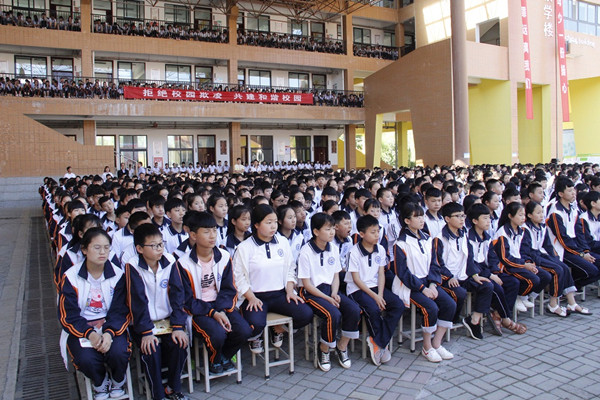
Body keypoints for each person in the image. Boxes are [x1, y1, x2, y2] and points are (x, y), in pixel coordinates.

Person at [57, 228, 130, 400]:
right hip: (82, 328)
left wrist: (109, 333)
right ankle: (100, 382)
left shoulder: (118, 275)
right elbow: (68, 315)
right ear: (84, 249)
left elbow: (120, 310)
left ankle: (118, 381)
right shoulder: (71, 277)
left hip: (110, 325)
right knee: (86, 358)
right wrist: (90, 334)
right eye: (97, 248)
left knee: (119, 352)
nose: (102, 252)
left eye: (106, 247)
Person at [178, 212, 252, 374]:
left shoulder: (224, 257)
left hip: (220, 305)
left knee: (244, 330)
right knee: (217, 334)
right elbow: (187, 300)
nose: (212, 236)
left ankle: (223, 356)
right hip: (198, 309)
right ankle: (214, 359)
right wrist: (212, 313)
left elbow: (229, 289)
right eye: (206, 232)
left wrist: (220, 310)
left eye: (214, 230)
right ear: (193, 235)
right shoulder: (183, 264)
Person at [232, 204, 313, 354]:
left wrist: (290, 291)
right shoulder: (244, 247)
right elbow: (238, 277)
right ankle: (257, 336)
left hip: (280, 294)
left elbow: (290, 268)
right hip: (256, 297)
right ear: (256, 225)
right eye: (268, 222)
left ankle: (278, 329)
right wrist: (251, 297)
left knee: (305, 314)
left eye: (275, 222)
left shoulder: (282, 242)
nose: (273, 226)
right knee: (255, 324)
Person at [125, 223, 190, 400]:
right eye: (154, 246)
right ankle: (157, 394)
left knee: (179, 343)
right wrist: (146, 332)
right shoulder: (132, 266)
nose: (159, 249)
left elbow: (178, 295)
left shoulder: (170, 261)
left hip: (167, 320)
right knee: (151, 349)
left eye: (161, 244)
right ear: (139, 248)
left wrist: (178, 326)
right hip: (143, 323)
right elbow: (137, 301)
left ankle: (173, 388)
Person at [392, 202, 455, 362]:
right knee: (431, 308)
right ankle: (427, 347)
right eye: (417, 217)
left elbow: (435, 264)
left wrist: (433, 284)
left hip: (428, 282)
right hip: (410, 286)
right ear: (407, 221)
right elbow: (402, 272)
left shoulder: (428, 239)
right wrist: (422, 288)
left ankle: (436, 343)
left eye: (422, 216)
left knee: (449, 304)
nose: (421, 220)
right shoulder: (401, 244)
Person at [298, 213, 361, 371]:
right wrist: (327, 298)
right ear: (316, 231)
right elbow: (306, 284)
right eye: (327, 229)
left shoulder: (332, 247)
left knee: (354, 310)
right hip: (311, 293)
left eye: (333, 228)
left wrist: (334, 293)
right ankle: (324, 349)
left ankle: (342, 346)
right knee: (333, 314)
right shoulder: (306, 251)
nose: (332, 232)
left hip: (330, 290)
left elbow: (335, 275)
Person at [345, 215, 404, 366]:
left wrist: (380, 294)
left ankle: (377, 341)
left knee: (398, 305)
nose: (377, 235)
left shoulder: (381, 249)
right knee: (373, 309)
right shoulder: (354, 252)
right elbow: (356, 279)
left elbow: (381, 274)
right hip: (357, 289)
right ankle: (380, 344)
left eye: (378, 231)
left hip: (376, 287)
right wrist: (375, 296)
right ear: (361, 234)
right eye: (373, 232)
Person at [436, 202, 494, 340]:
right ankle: (449, 321)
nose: (462, 219)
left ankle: (474, 320)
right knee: (459, 293)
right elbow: (437, 263)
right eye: (457, 216)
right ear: (447, 219)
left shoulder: (464, 234)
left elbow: (470, 257)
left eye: (463, 216)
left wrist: (474, 275)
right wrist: (449, 277)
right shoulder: (439, 239)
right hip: (447, 279)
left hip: (463, 276)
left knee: (487, 285)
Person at [467, 203, 526, 335]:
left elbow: (492, 258)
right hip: (474, 274)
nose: (488, 221)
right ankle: (506, 319)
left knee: (513, 282)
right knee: (495, 287)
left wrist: (494, 272)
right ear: (475, 221)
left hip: (487, 271)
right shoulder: (468, 238)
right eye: (484, 218)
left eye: (489, 218)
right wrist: (490, 275)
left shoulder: (487, 237)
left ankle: (498, 315)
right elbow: (471, 263)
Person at [523, 201, 590, 315]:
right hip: (532, 257)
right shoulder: (526, 229)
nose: (542, 215)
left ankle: (572, 303)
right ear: (529, 215)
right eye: (538, 213)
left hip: (541, 254)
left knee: (563, 266)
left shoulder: (542, 226)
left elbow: (547, 246)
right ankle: (552, 304)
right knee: (557, 270)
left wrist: (554, 259)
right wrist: (547, 261)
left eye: (542, 212)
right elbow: (527, 251)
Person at [493, 202, 552, 316]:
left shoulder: (521, 231)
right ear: (510, 216)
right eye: (520, 215)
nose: (523, 218)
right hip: (506, 266)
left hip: (519, 263)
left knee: (545, 276)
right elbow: (505, 258)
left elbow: (524, 251)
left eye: (524, 215)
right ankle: (519, 297)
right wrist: (524, 265)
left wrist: (529, 263)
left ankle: (523, 297)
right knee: (533, 279)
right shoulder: (503, 233)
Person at [547, 178, 600, 290]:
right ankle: (566, 286)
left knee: (596, 264)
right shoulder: (555, 212)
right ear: (561, 194)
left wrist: (585, 251)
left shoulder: (573, 209)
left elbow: (579, 233)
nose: (573, 193)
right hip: (561, 250)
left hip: (575, 247)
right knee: (592, 270)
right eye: (570, 191)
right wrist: (581, 254)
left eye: (573, 190)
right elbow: (563, 238)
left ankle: (569, 286)